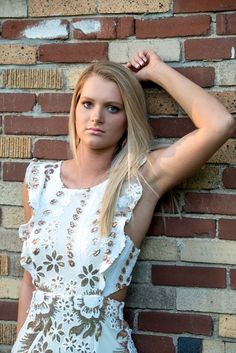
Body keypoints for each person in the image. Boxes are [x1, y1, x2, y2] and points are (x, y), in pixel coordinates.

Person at [12, 50, 235, 353]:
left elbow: (220, 124)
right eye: (87, 103)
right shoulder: (38, 180)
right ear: (75, 108)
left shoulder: (141, 179)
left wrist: (157, 71)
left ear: (128, 119)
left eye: (113, 108)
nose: (96, 117)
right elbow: (30, 281)